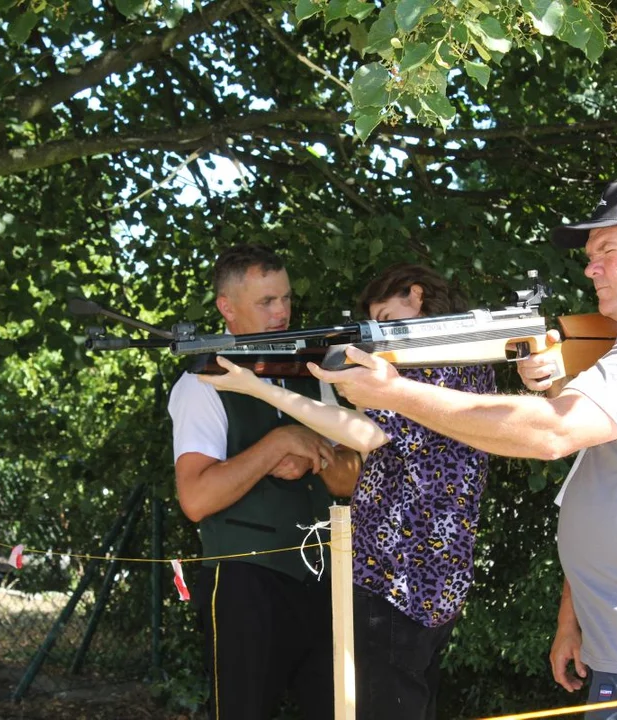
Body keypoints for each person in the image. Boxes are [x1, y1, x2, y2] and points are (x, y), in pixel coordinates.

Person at [308, 179, 617, 719]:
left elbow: (554, 433)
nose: (590, 267)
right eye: (590, 255)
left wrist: (393, 393)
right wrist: (574, 619)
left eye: (608, 251)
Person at [199, 263, 496, 720]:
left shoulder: (432, 367)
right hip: (432, 579)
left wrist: (260, 389)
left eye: (388, 319)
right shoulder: (465, 360)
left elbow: (365, 434)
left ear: (417, 297)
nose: (383, 338)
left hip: (398, 579)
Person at [167, 244, 361, 720]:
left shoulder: (313, 373)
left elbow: (351, 478)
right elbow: (195, 498)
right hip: (245, 583)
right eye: (266, 302)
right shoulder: (202, 383)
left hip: (326, 577)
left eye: (286, 299)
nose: (282, 313)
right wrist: (278, 444)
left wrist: (310, 455)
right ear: (226, 308)